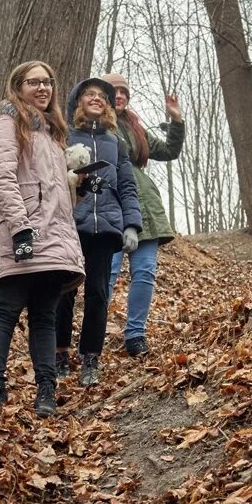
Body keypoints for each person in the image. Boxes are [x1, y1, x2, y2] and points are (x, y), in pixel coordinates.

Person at [0, 61, 85, 418]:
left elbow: (54, 195)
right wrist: (20, 227)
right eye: (33, 82)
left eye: (48, 83)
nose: (42, 89)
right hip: (19, 232)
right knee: (7, 308)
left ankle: (46, 392)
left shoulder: (53, 132)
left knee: (44, 315)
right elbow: (1, 175)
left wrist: (80, 188)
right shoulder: (7, 120)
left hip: (54, 237)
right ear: (18, 86)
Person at [56, 77, 142, 387]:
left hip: (105, 229)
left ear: (107, 105)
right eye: (89, 94)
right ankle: (59, 355)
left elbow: (128, 187)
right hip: (69, 225)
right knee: (65, 291)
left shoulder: (116, 143)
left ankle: (90, 359)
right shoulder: (63, 137)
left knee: (98, 294)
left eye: (101, 96)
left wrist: (131, 225)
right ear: (77, 102)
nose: (96, 98)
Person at [102, 72, 186, 357]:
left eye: (124, 92)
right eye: (115, 92)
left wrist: (176, 120)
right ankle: (93, 334)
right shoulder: (92, 126)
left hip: (145, 207)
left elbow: (169, 150)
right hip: (109, 207)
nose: (121, 96)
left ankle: (135, 335)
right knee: (106, 273)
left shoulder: (134, 126)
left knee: (145, 273)